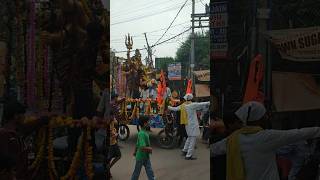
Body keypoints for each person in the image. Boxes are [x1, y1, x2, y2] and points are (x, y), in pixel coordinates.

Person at [211, 101, 320, 180]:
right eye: (264, 116)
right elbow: (299, 133)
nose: (266, 118)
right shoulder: (267, 137)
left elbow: (213, 150)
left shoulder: (233, 139)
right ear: (260, 119)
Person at [0, 99, 50, 180]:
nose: (25, 117)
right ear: (16, 116)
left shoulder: (19, 131)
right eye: (23, 115)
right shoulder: (4, 135)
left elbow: (31, 126)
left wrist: (46, 119)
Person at [168, 93, 210, 160]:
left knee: (189, 138)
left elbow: (174, 109)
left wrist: (166, 106)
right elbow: (202, 104)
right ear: (191, 99)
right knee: (192, 140)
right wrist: (209, 102)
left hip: (187, 124)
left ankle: (184, 151)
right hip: (192, 125)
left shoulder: (183, 106)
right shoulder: (192, 105)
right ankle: (188, 155)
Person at [131, 115, 155, 180]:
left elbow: (137, 144)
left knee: (150, 171)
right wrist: (150, 149)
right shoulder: (142, 134)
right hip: (141, 157)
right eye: (148, 122)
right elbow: (141, 147)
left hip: (146, 156)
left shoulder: (144, 132)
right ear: (144, 124)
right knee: (136, 173)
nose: (149, 123)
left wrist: (135, 152)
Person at [107, 111, 121, 179]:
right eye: (112, 116)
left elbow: (115, 122)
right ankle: (108, 171)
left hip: (114, 142)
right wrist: (115, 135)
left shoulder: (112, 120)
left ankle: (108, 168)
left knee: (119, 156)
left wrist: (114, 119)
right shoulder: (107, 123)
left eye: (113, 116)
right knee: (108, 160)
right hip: (109, 144)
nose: (113, 117)